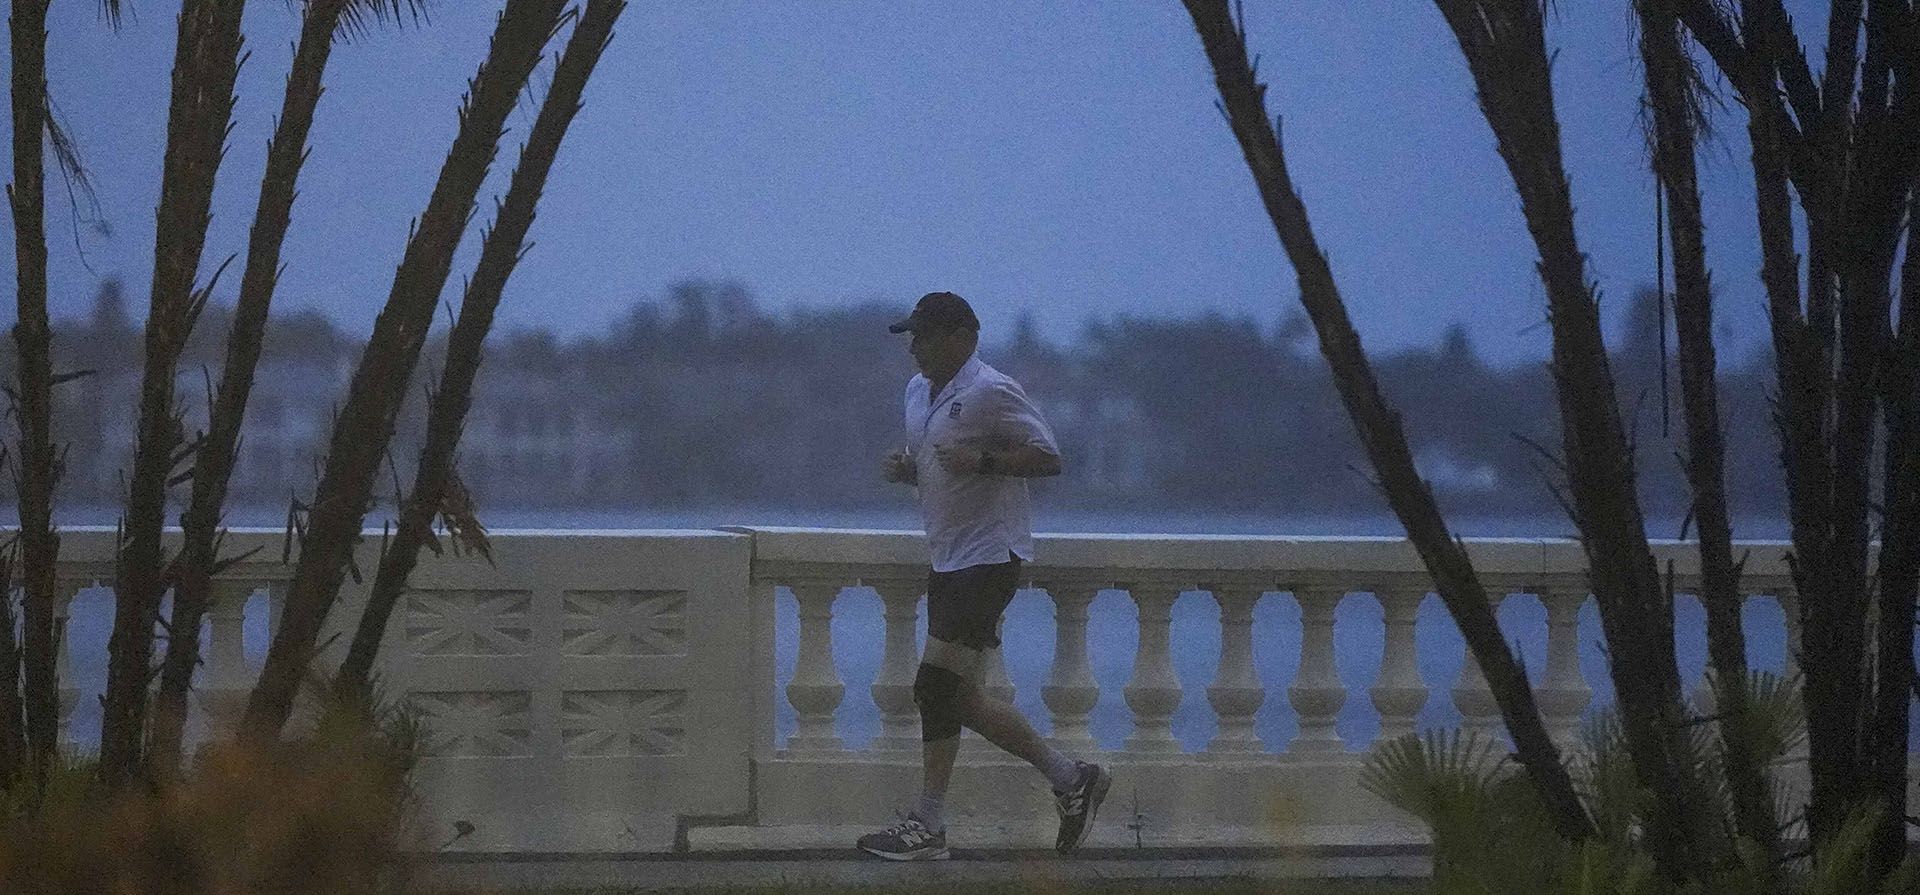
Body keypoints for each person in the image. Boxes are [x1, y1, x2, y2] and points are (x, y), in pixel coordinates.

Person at [856, 291, 1111, 861]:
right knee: (955, 695)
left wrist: (986, 462)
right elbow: (940, 466)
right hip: (946, 556)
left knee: (934, 688)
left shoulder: (992, 390)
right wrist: (909, 472)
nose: (915, 348)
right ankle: (1072, 779)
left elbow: (1049, 457)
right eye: (912, 337)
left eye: (924, 337)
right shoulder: (917, 392)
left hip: (989, 557)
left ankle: (930, 824)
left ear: (962, 339)